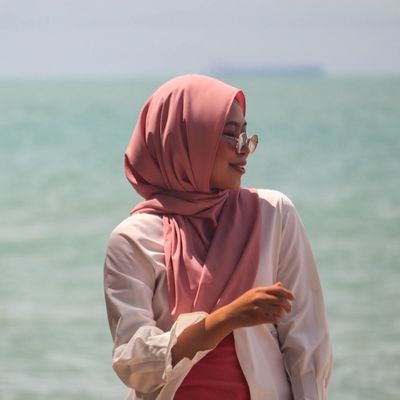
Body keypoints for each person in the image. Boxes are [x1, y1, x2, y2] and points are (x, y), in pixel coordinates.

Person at [104, 74, 332, 400]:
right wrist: (226, 319)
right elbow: (133, 363)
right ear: (187, 138)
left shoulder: (273, 215)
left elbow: (307, 343)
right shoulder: (133, 240)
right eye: (229, 135)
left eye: (245, 134)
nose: (245, 150)